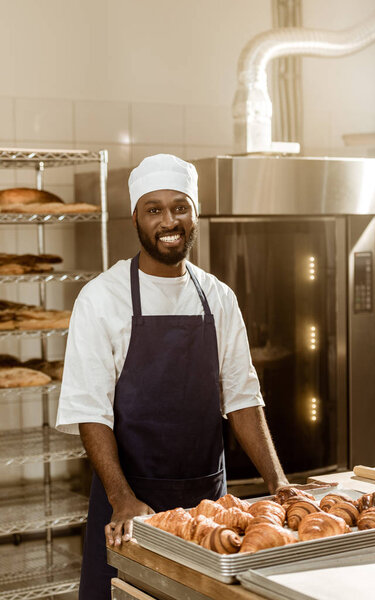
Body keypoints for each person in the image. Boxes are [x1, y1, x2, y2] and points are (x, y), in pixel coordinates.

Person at [56, 154, 309, 599]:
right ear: (135, 217)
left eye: (180, 207)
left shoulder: (217, 297)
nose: (169, 220)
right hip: (131, 503)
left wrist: (279, 484)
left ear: (195, 215)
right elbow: (90, 411)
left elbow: (243, 399)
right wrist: (121, 498)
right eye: (154, 209)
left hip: (209, 506)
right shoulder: (101, 299)